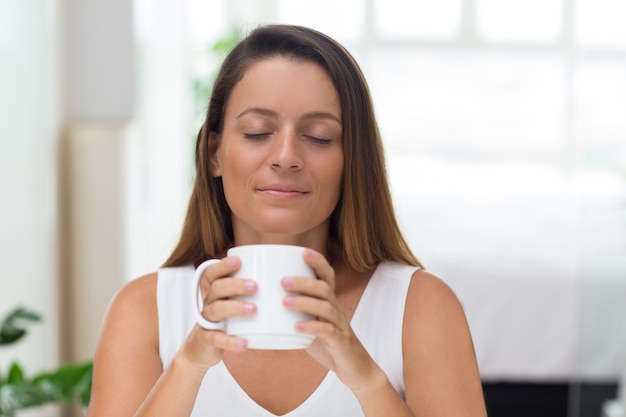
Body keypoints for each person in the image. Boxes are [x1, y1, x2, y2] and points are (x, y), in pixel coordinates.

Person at [87, 24, 487, 417]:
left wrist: (366, 380)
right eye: (258, 132)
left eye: (318, 137)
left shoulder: (421, 308)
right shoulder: (145, 310)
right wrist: (188, 366)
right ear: (214, 153)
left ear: (352, 162)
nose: (286, 156)